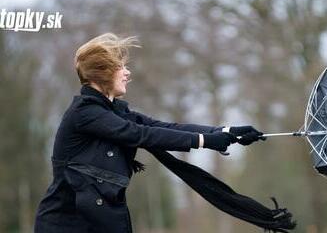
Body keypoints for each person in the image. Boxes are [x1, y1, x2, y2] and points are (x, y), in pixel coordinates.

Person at [34, 33, 265, 233]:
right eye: (120, 67)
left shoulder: (114, 111)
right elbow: (140, 134)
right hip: (67, 225)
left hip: (101, 222)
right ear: (103, 72)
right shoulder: (85, 113)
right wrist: (206, 141)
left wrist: (225, 132)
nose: (127, 73)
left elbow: (163, 127)